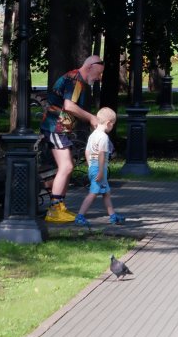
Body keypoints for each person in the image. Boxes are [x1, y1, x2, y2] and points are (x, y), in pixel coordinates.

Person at [40, 55, 104, 223]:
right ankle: (54, 209)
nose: (99, 78)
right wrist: (91, 118)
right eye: (98, 73)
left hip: (60, 127)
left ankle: (54, 199)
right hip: (56, 127)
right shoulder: (76, 80)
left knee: (68, 166)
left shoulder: (78, 80)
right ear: (90, 66)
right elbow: (69, 106)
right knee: (67, 166)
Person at [72, 107, 125, 226]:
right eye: (113, 125)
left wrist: (90, 164)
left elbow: (87, 151)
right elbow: (101, 154)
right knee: (93, 193)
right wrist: (101, 171)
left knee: (106, 193)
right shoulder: (104, 137)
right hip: (99, 169)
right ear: (108, 123)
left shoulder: (93, 135)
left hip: (93, 166)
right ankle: (80, 216)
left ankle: (112, 216)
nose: (112, 127)